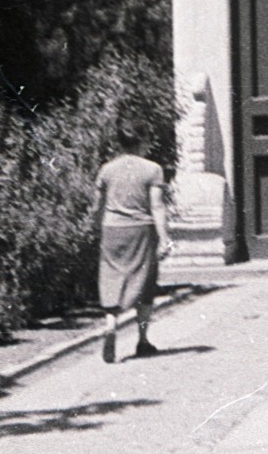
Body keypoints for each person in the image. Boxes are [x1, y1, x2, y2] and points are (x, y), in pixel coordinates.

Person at [94, 124, 173, 363]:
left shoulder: (106, 170)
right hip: (141, 229)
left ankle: (110, 325)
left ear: (119, 143)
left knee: (110, 277)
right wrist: (164, 238)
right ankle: (143, 340)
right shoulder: (153, 169)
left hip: (112, 228)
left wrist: (99, 227)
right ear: (142, 141)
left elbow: (97, 205)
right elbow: (157, 206)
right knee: (145, 284)